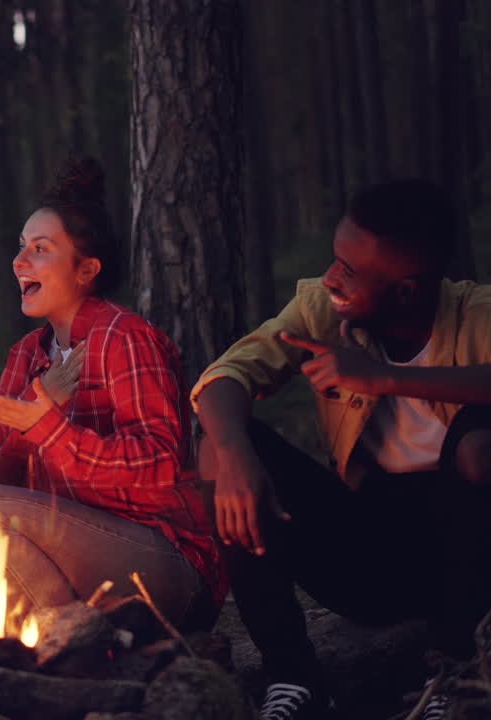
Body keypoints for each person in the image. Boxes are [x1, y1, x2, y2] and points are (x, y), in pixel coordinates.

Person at [194, 178, 491, 719]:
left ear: (406, 289)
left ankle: (455, 672)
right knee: (220, 447)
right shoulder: (322, 310)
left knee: (480, 444)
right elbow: (225, 377)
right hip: (366, 551)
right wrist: (237, 458)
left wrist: (385, 379)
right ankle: (296, 680)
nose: (331, 277)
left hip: (469, 557)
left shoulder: (478, 316)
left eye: (348, 271)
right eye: (335, 259)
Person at [0, 157, 224, 633]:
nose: (19, 263)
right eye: (21, 248)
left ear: (86, 270)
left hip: (167, 566)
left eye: (40, 249)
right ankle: (82, 644)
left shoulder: (124, 337)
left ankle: (81, 651)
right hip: (72, 560)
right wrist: (33, 421)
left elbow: (158, 464)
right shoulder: (25, 356)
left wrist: (48, 427)